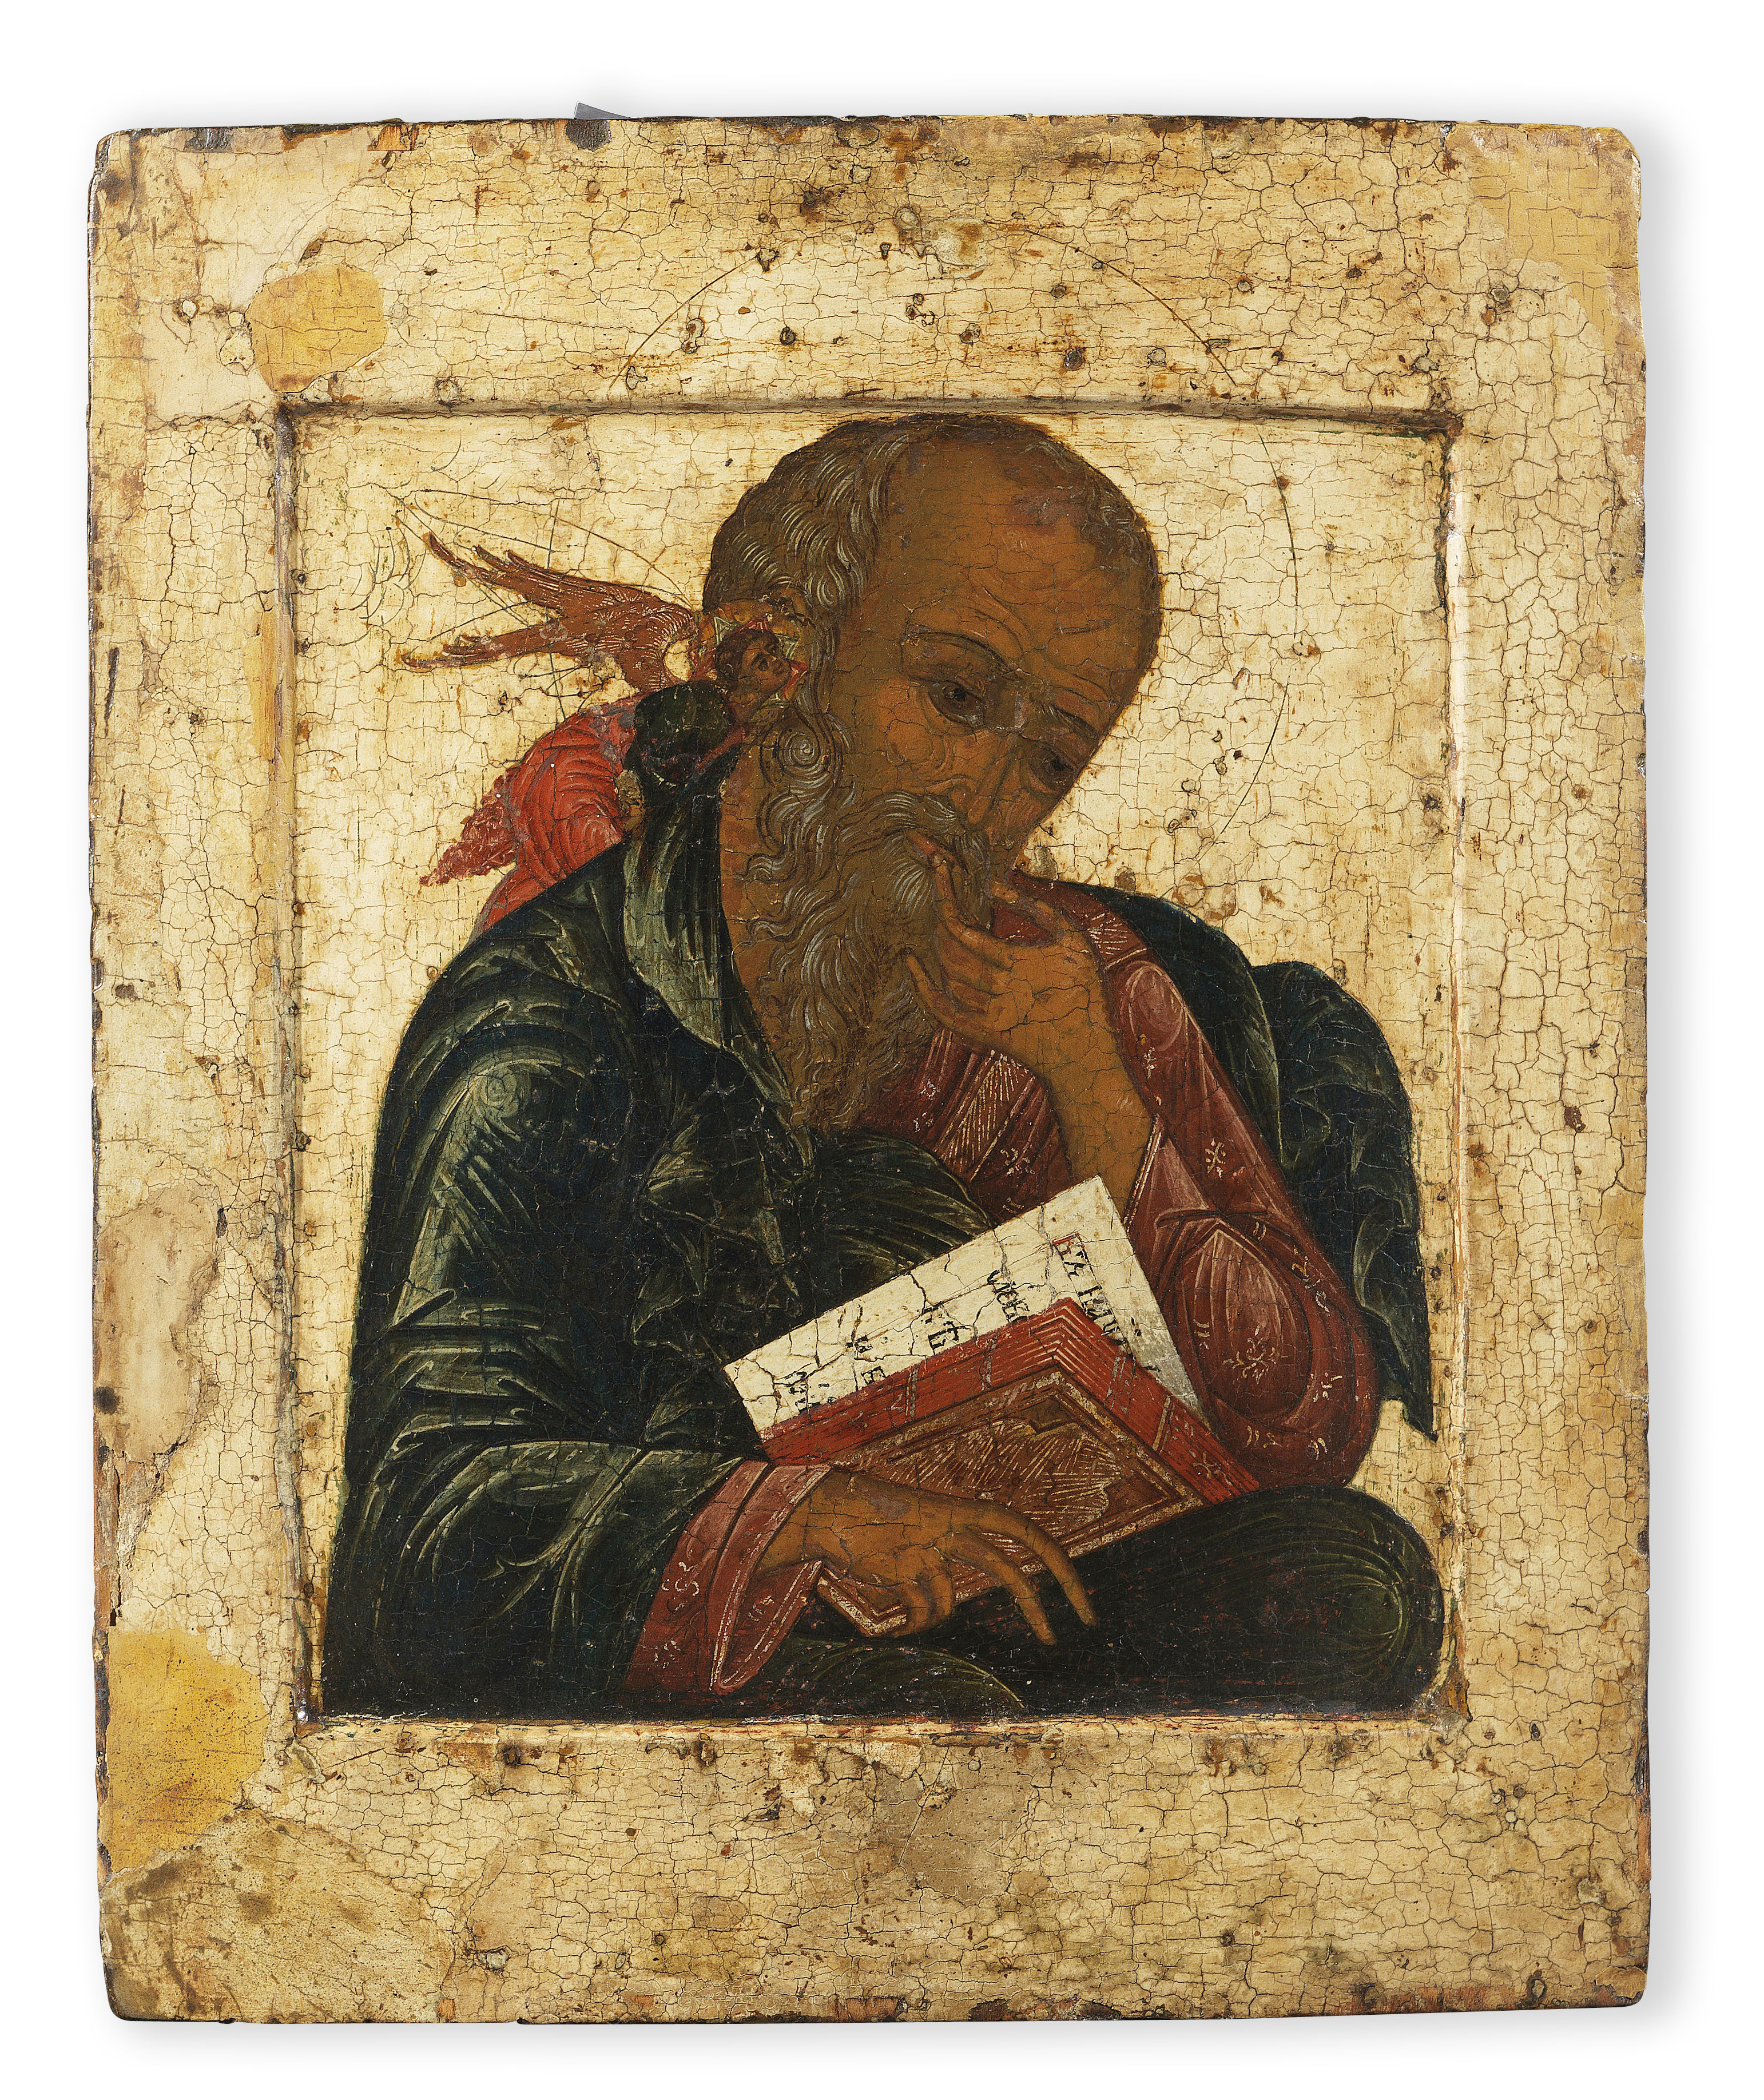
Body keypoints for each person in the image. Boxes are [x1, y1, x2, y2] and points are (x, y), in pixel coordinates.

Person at [325, 414, 1441, 1722]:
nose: (984, 796)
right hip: (707, 1623)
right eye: (956, 698)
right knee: (933, 1710)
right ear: (767, 667)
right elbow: (425, 1530)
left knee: (1361, 1588)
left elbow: (1303, 1422)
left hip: (1019, 1578)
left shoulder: (1069, 980)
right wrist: (814, 1520)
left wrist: (1090, 1076)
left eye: (1049, 757)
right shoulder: (548, 1013)